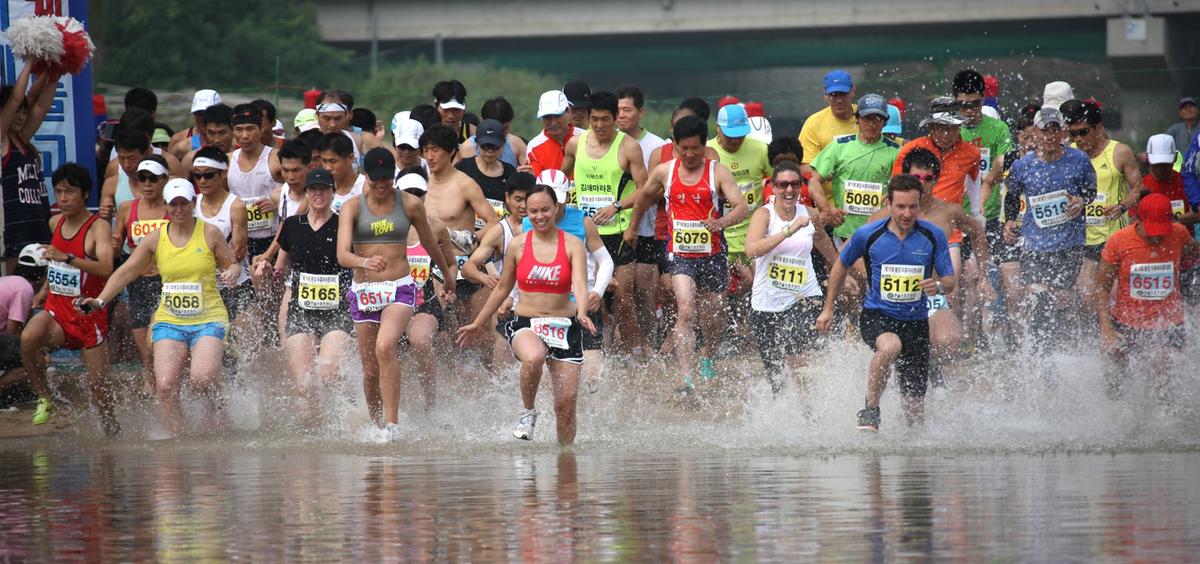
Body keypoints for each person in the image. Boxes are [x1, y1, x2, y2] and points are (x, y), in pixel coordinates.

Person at [81, 178, 241, 436]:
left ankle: (217, 405)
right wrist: (100, 300)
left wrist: (232, 273)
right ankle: (175, 439)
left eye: (184, 204)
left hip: (208, 317)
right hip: (170, 319)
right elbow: (127, 271)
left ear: (193, 204)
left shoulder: (210, 232)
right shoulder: (156, 238)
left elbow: (231, 263)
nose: (179, 210)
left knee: (202, 379)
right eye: (174, 204)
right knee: (165, 385)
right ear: (166, 207)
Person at [457, 185, 596, 444]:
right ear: (526, 213)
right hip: (527, 323)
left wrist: (583, 311)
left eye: (545, 209)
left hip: (566, 326)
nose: (539, 216)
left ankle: (565, 461)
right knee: (533, 357)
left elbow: (580, 283)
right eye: (533, 211)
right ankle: (528, 412)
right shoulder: (518, 246)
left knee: (565, 407)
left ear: (556, 209)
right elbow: (502, 289)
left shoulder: (573, 245)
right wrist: (478, 323)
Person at [817, 175, 956, 432]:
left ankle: (913, 467)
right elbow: (841, 264)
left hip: (916, 323)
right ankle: (871, 407)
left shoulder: (933, 235)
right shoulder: (868, 234)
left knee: (915, 416)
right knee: (890, 345)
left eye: (912, 207)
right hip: (878, 315)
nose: (906, 213)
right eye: (900, 206)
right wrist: (828, 308)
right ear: (888, 203)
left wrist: (936, 286)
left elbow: (950, 281)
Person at [337, 151, 453, 435]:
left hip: (399, 287)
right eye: (376, 179)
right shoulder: (352, 207)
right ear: (367, 177)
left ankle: (392, 426)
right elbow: (341, 255)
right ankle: (375, 425)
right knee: (370, 369)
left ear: (394, 177)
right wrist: (364, 261)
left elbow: (430, 242)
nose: (381, 184)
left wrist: (448, 276)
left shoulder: (410, 204)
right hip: (364, 290)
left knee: (385, 347)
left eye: (387, 178)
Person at [628, 115, 748, 388]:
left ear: (704, 146)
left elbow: (741, 207)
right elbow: (644, 197)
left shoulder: (717, 172)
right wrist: (632, 227)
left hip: (713, 254)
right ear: (676, 146)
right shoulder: (664, 171)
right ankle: (686, 375)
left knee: (714, 314)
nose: (690, 154)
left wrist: (720, 222)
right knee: (685, 309)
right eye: (685, 149)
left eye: (696, 148)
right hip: (680, 254)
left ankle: (707, 354)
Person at [870, 149, 991, 391]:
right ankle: (905, 371)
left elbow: (977, 232)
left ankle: (928, 369)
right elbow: (858, 251)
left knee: (950, 341)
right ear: (905, 178)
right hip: (893, 297)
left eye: (927, 179)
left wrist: (984, 275)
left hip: (930, 293)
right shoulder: (883, 216)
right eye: (917, 178)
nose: (922, 185)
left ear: (936, 180)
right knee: (897, 344)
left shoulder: (948, 212)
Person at [18, 164, 116, 433]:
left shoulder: (98, 228)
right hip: (57, 312)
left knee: (99, 389)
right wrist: (45, 289)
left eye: (69, 192)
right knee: (27, 339)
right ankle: (45, 397)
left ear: (85, 194)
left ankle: (112, 431)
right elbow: (56, 264)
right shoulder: (55, 222)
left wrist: (69, 257)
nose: (62, 198)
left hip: (88, 316)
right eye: (58, 191)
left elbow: (107, 268)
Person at [745, 162, 845, 397]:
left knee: (795, 352)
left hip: (803, 295)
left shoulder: (809, 215)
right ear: (773, 187)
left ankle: (810, 408)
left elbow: (823, 243)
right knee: (774, 370)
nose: (789, 190)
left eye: (794, 184)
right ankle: (784, 412)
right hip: (766, 300)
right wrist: (788, 230)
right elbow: (751, 250)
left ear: (801, 187)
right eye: (783, 185)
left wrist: (841, 270)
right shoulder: (764, 214)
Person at [1002, 108, 1096, 352]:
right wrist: (1010, 220)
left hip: (1070, 243)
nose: (1051, 136)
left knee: (1059, 298)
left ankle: (1059, 349)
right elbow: (1012, 194)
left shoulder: (1078, 160)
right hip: (1035, 244)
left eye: (1055, 129)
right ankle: (1040, 352)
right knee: (1040, 296)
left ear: (1063, 131)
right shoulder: (1024, 165)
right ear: (1035, 132)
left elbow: (1090, 191)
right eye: (1045, 130)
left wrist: (1081, 201)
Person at [561, 90, 647, 355]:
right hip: (583, 235)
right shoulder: (576, 144)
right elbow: (559, 179)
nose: (599, 125)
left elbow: (645, 190)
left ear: (616, 117)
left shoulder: (628, 146)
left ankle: (634, 353)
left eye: (605, 120)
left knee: (623, 298)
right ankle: (600, 349)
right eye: (594, 119)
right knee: (591, 298)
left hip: (618, 234)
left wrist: (617, 207)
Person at [264, 168, 353, 423]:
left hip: (337, 310)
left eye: (324, 189)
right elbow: (281, 265)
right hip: (301, 309)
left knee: (329, 373)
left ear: (332, 192)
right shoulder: (292, 225)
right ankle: (311, 431)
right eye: (313, 189)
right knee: (304, 384)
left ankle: (351, 416)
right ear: (306, 193)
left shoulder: (343, 225)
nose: (318, 194)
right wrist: (268, 268)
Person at [1096, 193, 1200, 400]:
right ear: (1138, 220)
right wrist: (1106, 329)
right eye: (1151, 231)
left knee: (1161, 374)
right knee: (1116, 376)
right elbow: (1102, 287)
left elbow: (1195, 252)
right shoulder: (1119, 241)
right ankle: (1117, 412)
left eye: (1162, 230)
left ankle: (1163, 422)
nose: (1157, 237)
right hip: (1127, 321)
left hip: (1169, 323)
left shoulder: (1179, 234)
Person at [1063, 100, 1144, 319]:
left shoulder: (1119, 152)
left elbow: (1138, 187)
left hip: (1112, 237)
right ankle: (1095, 337)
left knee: (1115, 293)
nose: (1078, 139)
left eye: (1083, 132)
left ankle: (1119, 335)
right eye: (1073, 134)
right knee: (1085, 293)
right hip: (1080, 237)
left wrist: (1122, 206)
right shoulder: (1068, 153)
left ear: (1098, 127)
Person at [111, 156, 171, 397]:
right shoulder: (128, 208)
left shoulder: (174, 207)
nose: (147, 183)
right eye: (142, 178)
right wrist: (114, 244)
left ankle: (166, 377)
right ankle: (151, 378)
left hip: (165, 280)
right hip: (137, 281)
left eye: (153, 178)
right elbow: (117, 246)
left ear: (165, 180)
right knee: (140, 333)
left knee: (154, 337)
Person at [615, 84, 668, 355]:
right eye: (618, 110)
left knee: (645, 289)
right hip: (615, 228)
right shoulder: (603, 144)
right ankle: (623, 344)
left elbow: (659, 190)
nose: (621, 115)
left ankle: (649, 340)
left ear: (641, 112)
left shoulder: (657, 145)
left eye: (627, 110)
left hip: (648, 227)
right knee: (618, 291)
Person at [807, 93, 900, 245]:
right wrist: (827, 210)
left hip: (881, 231)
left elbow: (904, 188)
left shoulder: (895, 151)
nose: (872, 123)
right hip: (844, 229)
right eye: (867, 118)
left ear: (884, 122)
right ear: (857, 119)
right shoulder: (840, 146)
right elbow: (814, 180)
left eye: (877, 118)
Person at [1, 65, 58, 272]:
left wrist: (55, 70)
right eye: (16, 112)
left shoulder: (21, 139)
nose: (22, 116)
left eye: (25, 112)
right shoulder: (2, 142)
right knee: (16, 288)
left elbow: (40, 105)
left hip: (37, 221)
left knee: (38, 291)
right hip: (13, 228)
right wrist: (30, 62)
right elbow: (17, 98)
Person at [191, 148, 252, 332]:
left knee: (243, 346)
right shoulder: (190, 203)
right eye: (197, 176)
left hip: (236, 283)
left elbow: (238, 252)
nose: (202, 181)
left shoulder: (236, 206)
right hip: (202, 286)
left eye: (208, 175)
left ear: (223, 173)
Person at [798, 70, 858, 191]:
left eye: (843, 94)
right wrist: (839, 172)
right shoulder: (813, 124)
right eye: (834, 95)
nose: (839, 100)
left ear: (853, 91)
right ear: (825, 94)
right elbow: (804, 168)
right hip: (828, 203)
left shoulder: (867, 117)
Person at [0, 245, 44, 399]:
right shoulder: (24, 289)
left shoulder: (10, 280)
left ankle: (14, 389)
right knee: (39, 359)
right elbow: (13, 332)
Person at [455, 119, 517, 228]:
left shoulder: (510, 173)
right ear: (477, 143)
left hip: (498, 234)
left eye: (495, 147)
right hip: (465, 232)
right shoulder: (463, 168)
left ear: (503, 145)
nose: (490, 151)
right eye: (485, 146)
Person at [458, 97, 528, 169]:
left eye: (504, 129)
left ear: (510, 123)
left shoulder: (517, 144)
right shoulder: (467, 148)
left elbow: (531, 173)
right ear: (482, 121)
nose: (499, 135)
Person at [527, 90, 583, 177]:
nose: (553, 123)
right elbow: (538, 184)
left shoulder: (586, 137)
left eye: (557, 116)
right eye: (547, 117)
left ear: (569, 112)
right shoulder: (533, 146)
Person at [318, 132, 366, 213]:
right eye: (324, 161)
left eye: (333, 161)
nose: (327, 167)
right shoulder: (319, 188)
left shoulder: (366, 187)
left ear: (350, 158)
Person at [168, 89, 221, 160]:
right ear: (193, 115)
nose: (204, 118)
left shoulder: (234, 139)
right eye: (200, 114)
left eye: (209, 113)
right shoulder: (178, 140)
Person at [181, 105, 234, 171]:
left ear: (233, 130)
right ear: (205, 130)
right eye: (211, 133)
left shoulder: (244, 157)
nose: (216, 139)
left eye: (222, 133)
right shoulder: (190, 159)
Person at [433, 80, 473, 144]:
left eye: (456, 110)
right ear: (436, 106)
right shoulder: (425, 132)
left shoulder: (473, 133)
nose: (451, 116)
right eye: (446, 110)